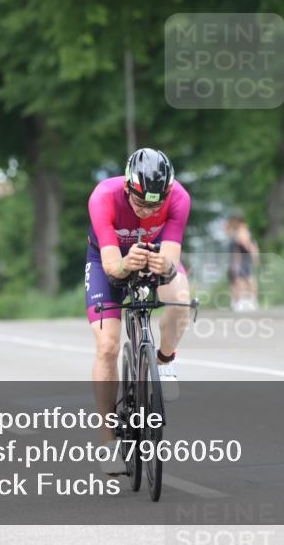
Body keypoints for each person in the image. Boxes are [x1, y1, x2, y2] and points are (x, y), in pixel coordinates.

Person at [85, 148, 192, 473]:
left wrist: (166, 268)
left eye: (155, 205)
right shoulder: (103, 196)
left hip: (155, 252)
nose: (148, 212)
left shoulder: (179, 198)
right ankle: (107, 441)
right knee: (107, 346)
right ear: (129, 188)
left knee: (181, 300)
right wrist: (123, 264)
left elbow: (171, 261)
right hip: (109, 258)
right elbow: (111, 266)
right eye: (141, 203)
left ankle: (164, 360)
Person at [226, 215, 260, 311]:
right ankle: (245, 300)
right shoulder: (238, 232)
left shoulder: (242, 231)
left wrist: (254, 256)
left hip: (244, 259)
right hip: (240, 259)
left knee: (247, 279)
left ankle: (252, 300)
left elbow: (249, 246)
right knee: (241, 280)